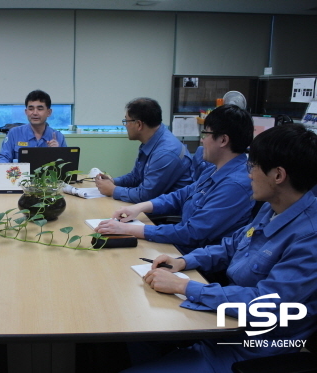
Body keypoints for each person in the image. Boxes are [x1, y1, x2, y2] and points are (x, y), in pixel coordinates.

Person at [120, 123, 317, 373]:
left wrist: (185, 286)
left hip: (249, 348)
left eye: (254, 166)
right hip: (223, 322)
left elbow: (265, 304)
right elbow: (232, 245)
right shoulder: (273, 207)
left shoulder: (309, 236)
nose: (249, 174)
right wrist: (183, 262)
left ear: (278, 176)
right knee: (136, 332)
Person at [96, 104, 254, 254]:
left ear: (223, 140)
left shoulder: (234, 185)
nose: (202, 140)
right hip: (181, 244)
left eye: (206, 134)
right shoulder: (215, 168)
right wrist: (139, 208)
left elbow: (192, 233)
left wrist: (128, 229)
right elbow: (182, 195)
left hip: (195, 257)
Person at [95, 98, 193, 203]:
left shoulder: (165, 153)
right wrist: (113, 181)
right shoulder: (152, 141)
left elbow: (146, 195)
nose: (125, 126)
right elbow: (136, 177)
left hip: (163, 214)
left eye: (126, 121)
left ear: (139, 125)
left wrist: (113, 190)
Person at [0, 89, 67, 163]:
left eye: (40, 109)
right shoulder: (14, 133)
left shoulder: (58, 136)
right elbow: (3, 158)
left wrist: (58, 153)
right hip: (20, 174)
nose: (35, 113)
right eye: (31, 109)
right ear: (26, 112)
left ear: (49, 112)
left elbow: (65, 167)